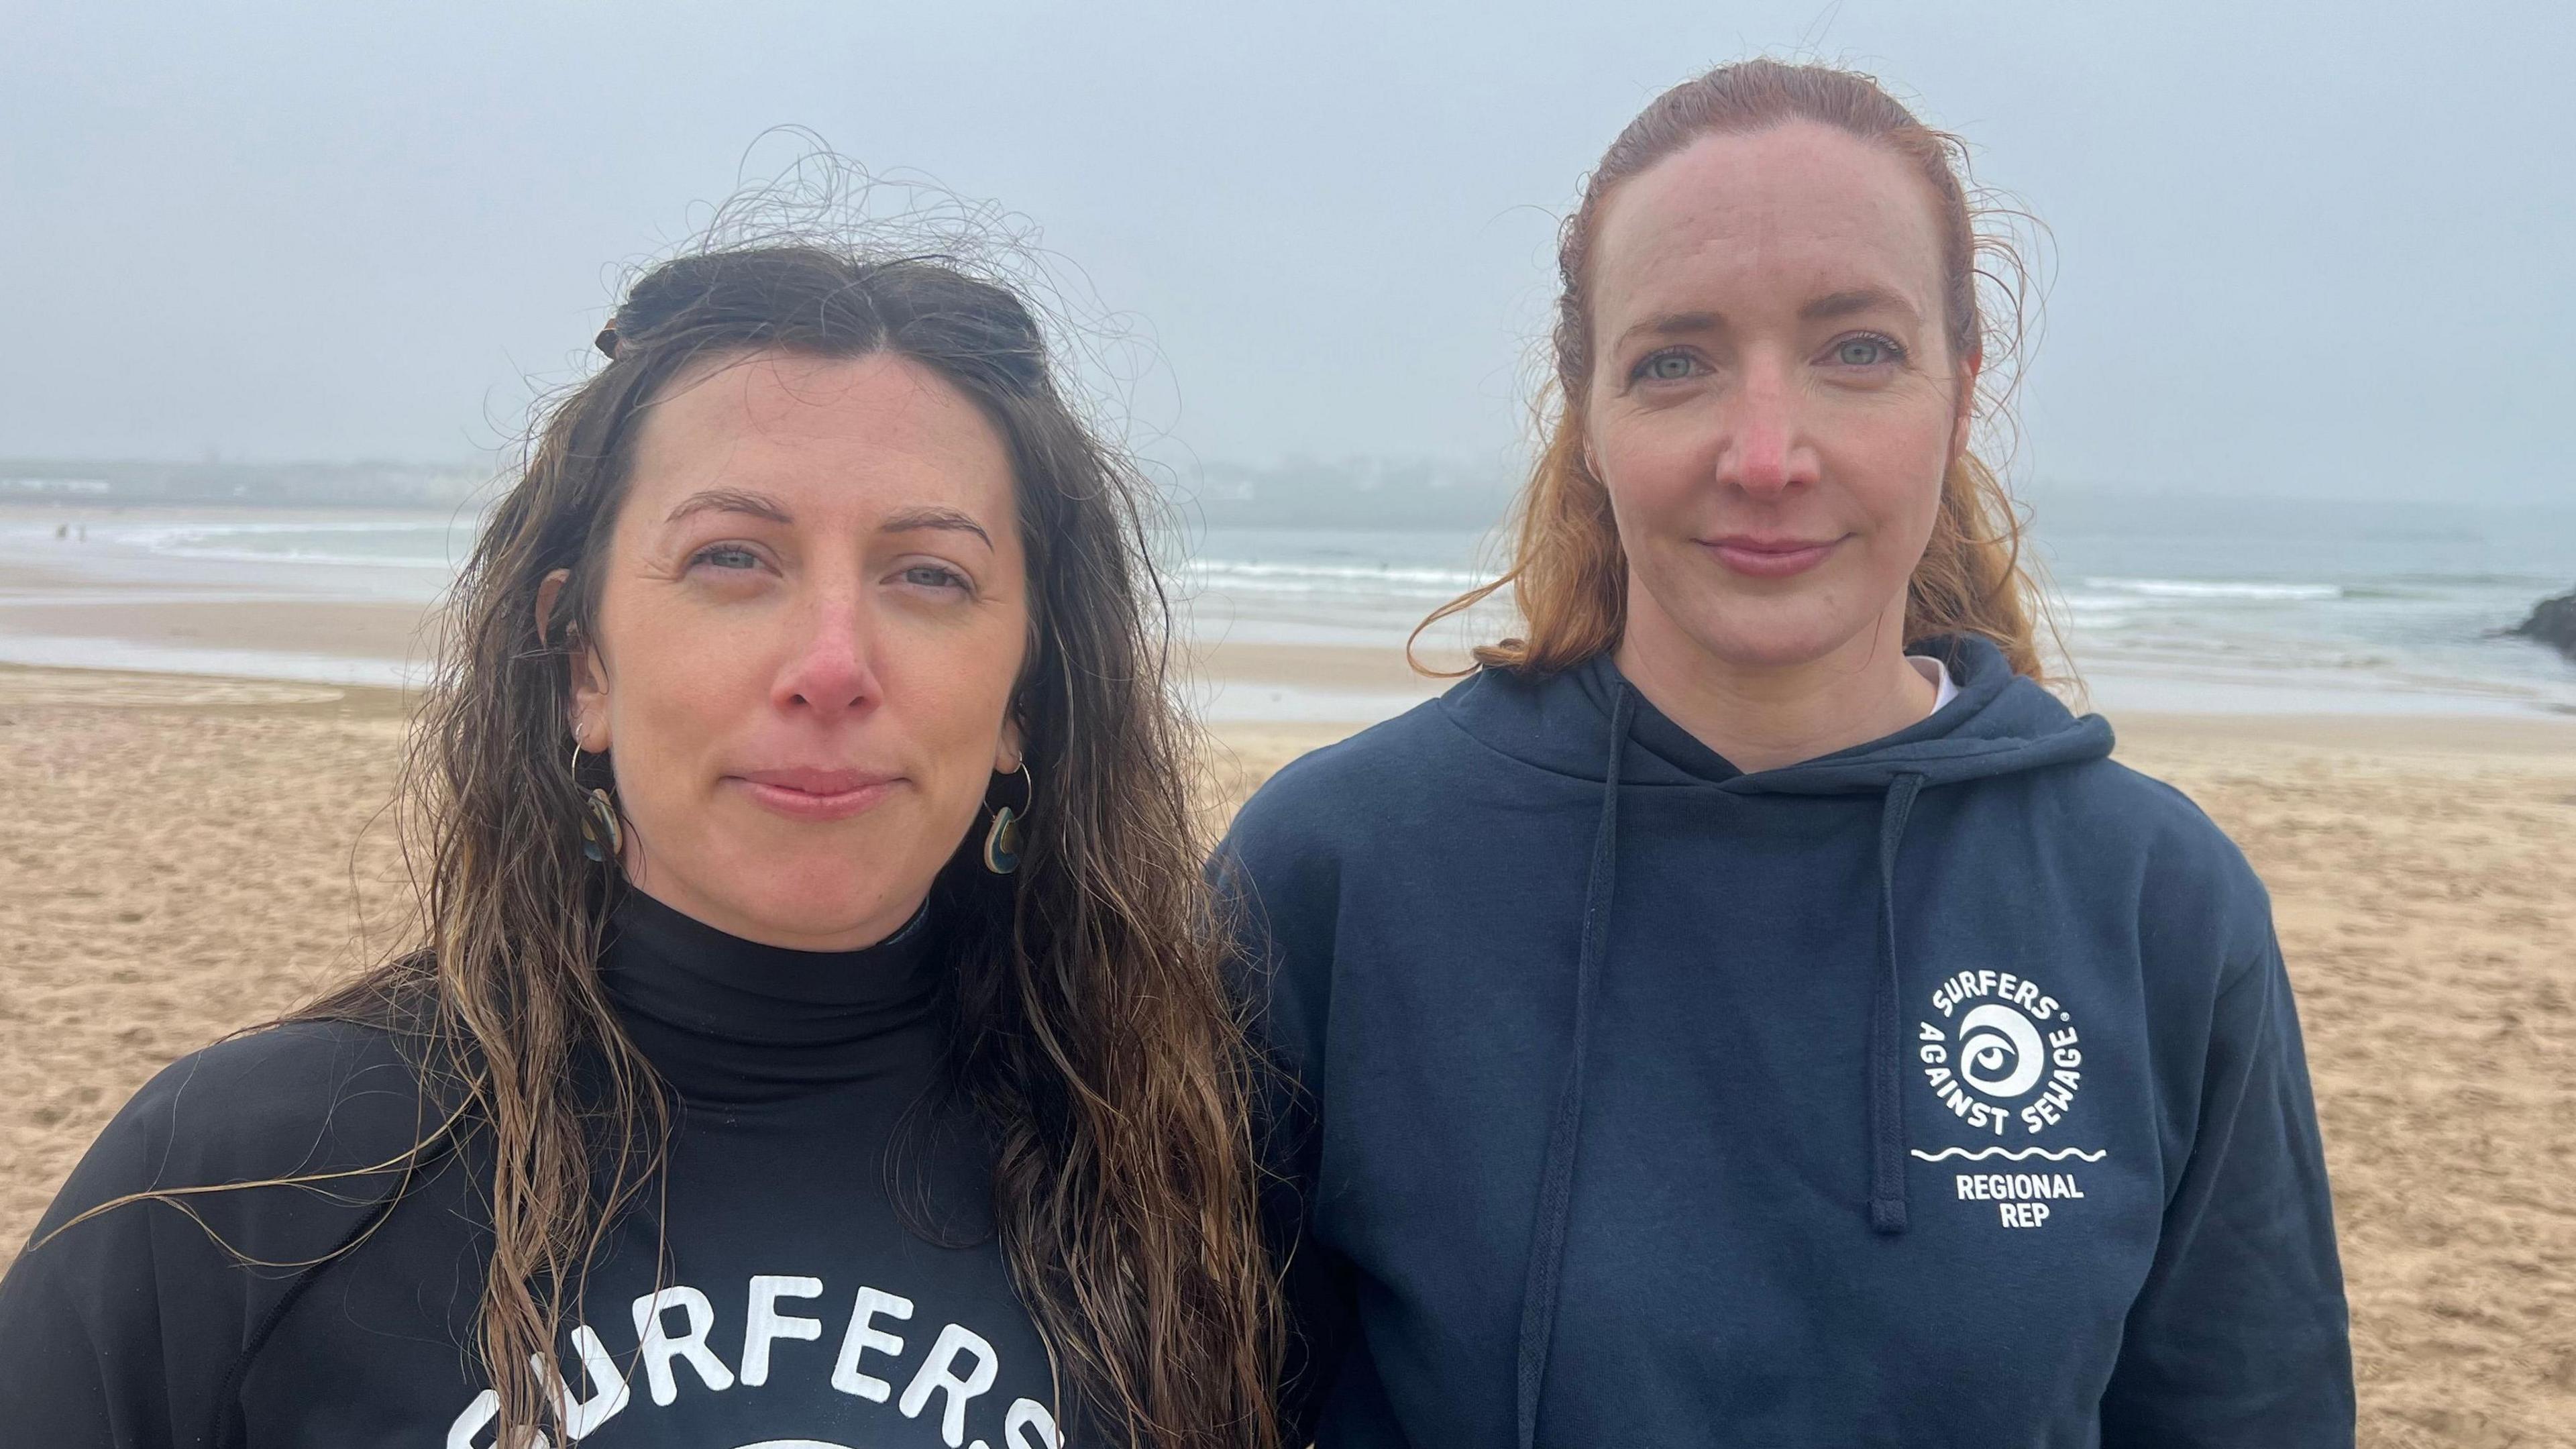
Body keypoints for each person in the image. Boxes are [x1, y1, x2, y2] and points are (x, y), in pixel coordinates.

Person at [1222, 60, 2353, 1448]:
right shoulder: (1335, 872)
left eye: (1857, 349)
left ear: (1964, 389)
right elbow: (1199, 1399)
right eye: (1677, 361)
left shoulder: (2155, 903)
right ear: (1588, 415)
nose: (1767, 454)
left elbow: (2252, 1414)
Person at [0, 243, 1283, 1448]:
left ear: (1023, 694)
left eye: (930, 575)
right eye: (734, 558)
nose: (832, 667)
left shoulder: (1190, 1182)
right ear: (581, 664)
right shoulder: (247, 1180)